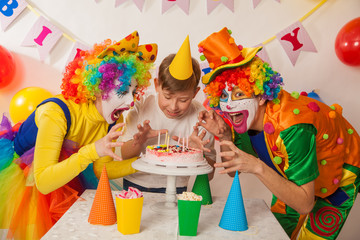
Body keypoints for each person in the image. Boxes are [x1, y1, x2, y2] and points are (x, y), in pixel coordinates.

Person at [197, 27, 360, 239]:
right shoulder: (243, 118)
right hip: (293, 176)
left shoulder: (293, 128)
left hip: (339, 173)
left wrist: (257, 166)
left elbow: (304, 204)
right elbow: (232, 170)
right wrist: (225, 136)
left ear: (261, 96)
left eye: (239, 94)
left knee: (312, 236)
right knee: (277, 233)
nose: (229, 105)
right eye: (224, 96)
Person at [0, 31, 157, 240]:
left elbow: (100, 168)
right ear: (100, 88)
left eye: (134, 92)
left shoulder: (113, 118)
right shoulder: (57, 113)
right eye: (122, 92)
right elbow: (44, 182)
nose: (130, 102)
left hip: (64, 173)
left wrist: (146, 162)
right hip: (25, 178)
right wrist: (92, 150)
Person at [120, 36, 216, 193]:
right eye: (167, 97)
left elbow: (209, 175)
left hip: (177, 189)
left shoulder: (202, 119)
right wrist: (140, 141)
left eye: (183, 100)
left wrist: (197, 155)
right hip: (134, 185)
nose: (173, 106)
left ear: (195, 93)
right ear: (157, 85)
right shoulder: (140, 105)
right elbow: (125, 156)